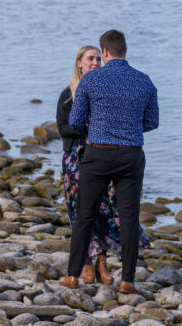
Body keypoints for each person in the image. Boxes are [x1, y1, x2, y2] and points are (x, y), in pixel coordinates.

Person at [60, 30, 159, 294]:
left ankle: (72, 276)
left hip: (98, 154)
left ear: (104, 53)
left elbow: (76, 122)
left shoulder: (91, 80)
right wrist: (127, 127)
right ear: (125, 50)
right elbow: (152, 122)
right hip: (131, 155)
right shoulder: (144, 81)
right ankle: (128, 280)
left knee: (84, 216)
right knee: (128, 217)